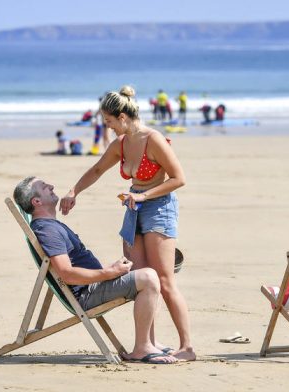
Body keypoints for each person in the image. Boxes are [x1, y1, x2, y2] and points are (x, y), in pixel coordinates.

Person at [60, 85, 195, 361]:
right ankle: (150, 344)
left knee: (166, 281)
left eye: (109, 122)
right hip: (134, 209)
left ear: (122, 117)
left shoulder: (153, 139)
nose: (108, 128)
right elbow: (97, 169)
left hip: (159, 208)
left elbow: (178, 178)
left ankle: (187, 347)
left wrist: (144, 194)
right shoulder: (120, 144)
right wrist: (74, 191)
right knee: (146, 281)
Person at [14, 177, 177, 364]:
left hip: (93, 285)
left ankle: (150, 342)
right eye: (44, 187)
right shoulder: (47, 230)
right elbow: (66, 273)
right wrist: (109, 273)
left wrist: (113, 270)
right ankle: (142, 348)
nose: (51, 186)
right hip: (86, 294)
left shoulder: (51, 226)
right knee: (148, 277)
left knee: (149, 271)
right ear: (36, 201)